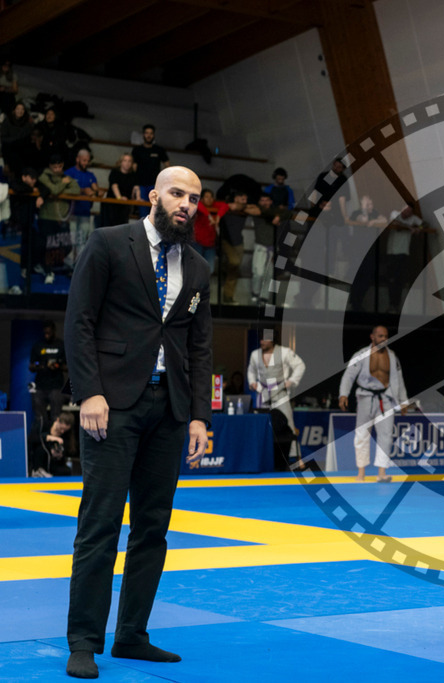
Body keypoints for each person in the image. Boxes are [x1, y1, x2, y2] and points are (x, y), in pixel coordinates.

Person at [63, 165, 211, 679]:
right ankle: (84, 639)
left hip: (168, 411)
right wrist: (90, 394)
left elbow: (199, 345)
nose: (185, 204)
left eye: (193, 198)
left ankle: (131, 635)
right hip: (113, 405)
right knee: (99, 525)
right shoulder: (107, 244)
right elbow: (79, 321)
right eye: (176, 193)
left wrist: (198, 417)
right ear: (153, 196)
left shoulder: (197, 267)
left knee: (153, 529)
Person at [338, 325, 409, 482]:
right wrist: (344, 394)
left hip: (386, 399)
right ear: (372, 337)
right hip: (365, 397)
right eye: (380, 336)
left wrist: (403, 401)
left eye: (386, 336)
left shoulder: (392, 356)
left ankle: (381, 473)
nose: (384, 339)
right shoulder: (361, 355)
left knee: (386, 436)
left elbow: (399, 379)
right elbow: (349, 375)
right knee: (362, 434)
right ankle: (361, 472)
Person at [247, 336, 306, 469]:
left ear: (272, 340)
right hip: (263, 393)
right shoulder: (255, 354)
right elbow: (251, 370)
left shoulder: (284, 352)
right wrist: (252, 382)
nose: (262, 342)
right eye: (260, 339)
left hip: (280, 393)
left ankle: (297, 457)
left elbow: (300, 365)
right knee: (262, 425)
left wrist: (292, 381)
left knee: (289, 425)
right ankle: (262, 456)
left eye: (265, 340)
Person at [37, 153, 79, 283]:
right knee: (48, 246)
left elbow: (76, 190)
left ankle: (48, 266)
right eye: (55, 167)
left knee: (67, 246)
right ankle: (49, 271)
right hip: (47, 217)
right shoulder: (44, 176)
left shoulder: (66, 177)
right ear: (50, 166)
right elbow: (53, 190)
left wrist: (59, 189)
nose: (57, 169)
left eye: (60, 166)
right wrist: (62, 184)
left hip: (62, 218)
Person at [64, 148, 102, 266]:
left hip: (85, 212)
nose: (85, 163)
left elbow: (97, 190)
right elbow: (64, 188)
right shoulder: (69, 173)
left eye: (87, 161)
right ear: (77, 159)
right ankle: (69, 265)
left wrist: (95, 192)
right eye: (83, 160)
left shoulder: (90, 175)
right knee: (71, 240)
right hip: (71, 213)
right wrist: (83, 191)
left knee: (81, 241)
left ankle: (78, 266)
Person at [29, 319, 67, 432]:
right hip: (40, 386)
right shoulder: (38, 346)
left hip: (56, 386)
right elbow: (31, 367)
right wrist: (41, 366)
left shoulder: (61, 345)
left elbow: (68, 367)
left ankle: (55, 439)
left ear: (54, 331)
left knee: (56, 416)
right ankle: (41, 440)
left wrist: (57, 366)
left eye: (49, 333)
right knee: (40, 418)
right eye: (44, 333)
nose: (46, 336)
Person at [383, 204, 423, 312]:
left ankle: (396, 305)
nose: (407, 213)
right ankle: (391, 303)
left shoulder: (414, 219)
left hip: (403, 252)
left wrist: (418, 229)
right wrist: (409, 227)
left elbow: (423, 225)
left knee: (399, 279)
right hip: (392, 252)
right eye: (406, 210)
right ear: (402, 209)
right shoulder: (395, 214)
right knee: (391, 279)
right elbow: (394, 222)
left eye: (409, 211)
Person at [251, 193, 288, 302]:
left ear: (271, 201)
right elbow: (248, 209)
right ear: (259, 202)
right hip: (260, 246)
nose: (265, 202)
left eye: (267, 200)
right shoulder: (257, 212)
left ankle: (264, 297)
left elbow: (288, 212)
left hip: (272, 247)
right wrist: (276, 216)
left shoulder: (276, 212)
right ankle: (255, 292)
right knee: (258, 273)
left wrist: (279, 216)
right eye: (262, 200)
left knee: (269, 274)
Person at [217, 191, 249, 304]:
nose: (245, 201)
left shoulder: (244, 210)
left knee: (234, 271)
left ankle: (228, 296)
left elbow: (256, 209)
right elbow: (218, 205)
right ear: (235, 198)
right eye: (242, 199)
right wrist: (228, 206)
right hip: (226, 240)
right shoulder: (226, 208)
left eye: (246, 199)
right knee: (234, 262)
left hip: (239, 242)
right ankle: (223, 271)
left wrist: (241, 206)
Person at [131, 124, 169, 218]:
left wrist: (164, 181)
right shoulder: (137, 150)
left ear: (154, 135)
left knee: (155, 213)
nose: (149, 135)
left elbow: (167, 166)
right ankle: (144, 232)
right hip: (141, 185)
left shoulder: (159, 150)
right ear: (143, 135)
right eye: (147, 133)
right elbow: (134, 168)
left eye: (151, 133)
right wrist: (135, 184)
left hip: (155, 185)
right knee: (143, 215)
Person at [30, 411, 76, 478]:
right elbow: (31, 439)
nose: (62, 431)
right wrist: (49, 437)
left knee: (66, 471)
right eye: (61, 428)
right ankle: (38, 472)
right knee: (41, 449)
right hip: (40, 461)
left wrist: (60, 454)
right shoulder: (44, 425)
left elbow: (68, 452)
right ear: (57, 420)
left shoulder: (66, 436)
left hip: (54, 465)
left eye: (65, 430)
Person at [193, 189, 226, 273]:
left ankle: (203, 286)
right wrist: (208, 215)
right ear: (202, 198)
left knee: (209, 269)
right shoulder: (199, 207)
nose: (209, 199)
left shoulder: (214, 206)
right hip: (197, 243)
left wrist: (218, 216)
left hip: (211, 244)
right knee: (196, 268)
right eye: (206, 197)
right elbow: (197, 203)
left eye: (211, 197)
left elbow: (225, 206)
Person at [100, 153, 137, 228]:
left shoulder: (133, 175)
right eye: (125, 160)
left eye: (129, 161)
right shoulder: (115, 172)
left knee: (122, 226)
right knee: (109, 227)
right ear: (121, 162)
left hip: (125, 205)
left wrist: (138, 198)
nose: (127, 163)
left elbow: (135, 188)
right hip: (112, 204)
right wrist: (119, 198)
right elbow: (114, 186)